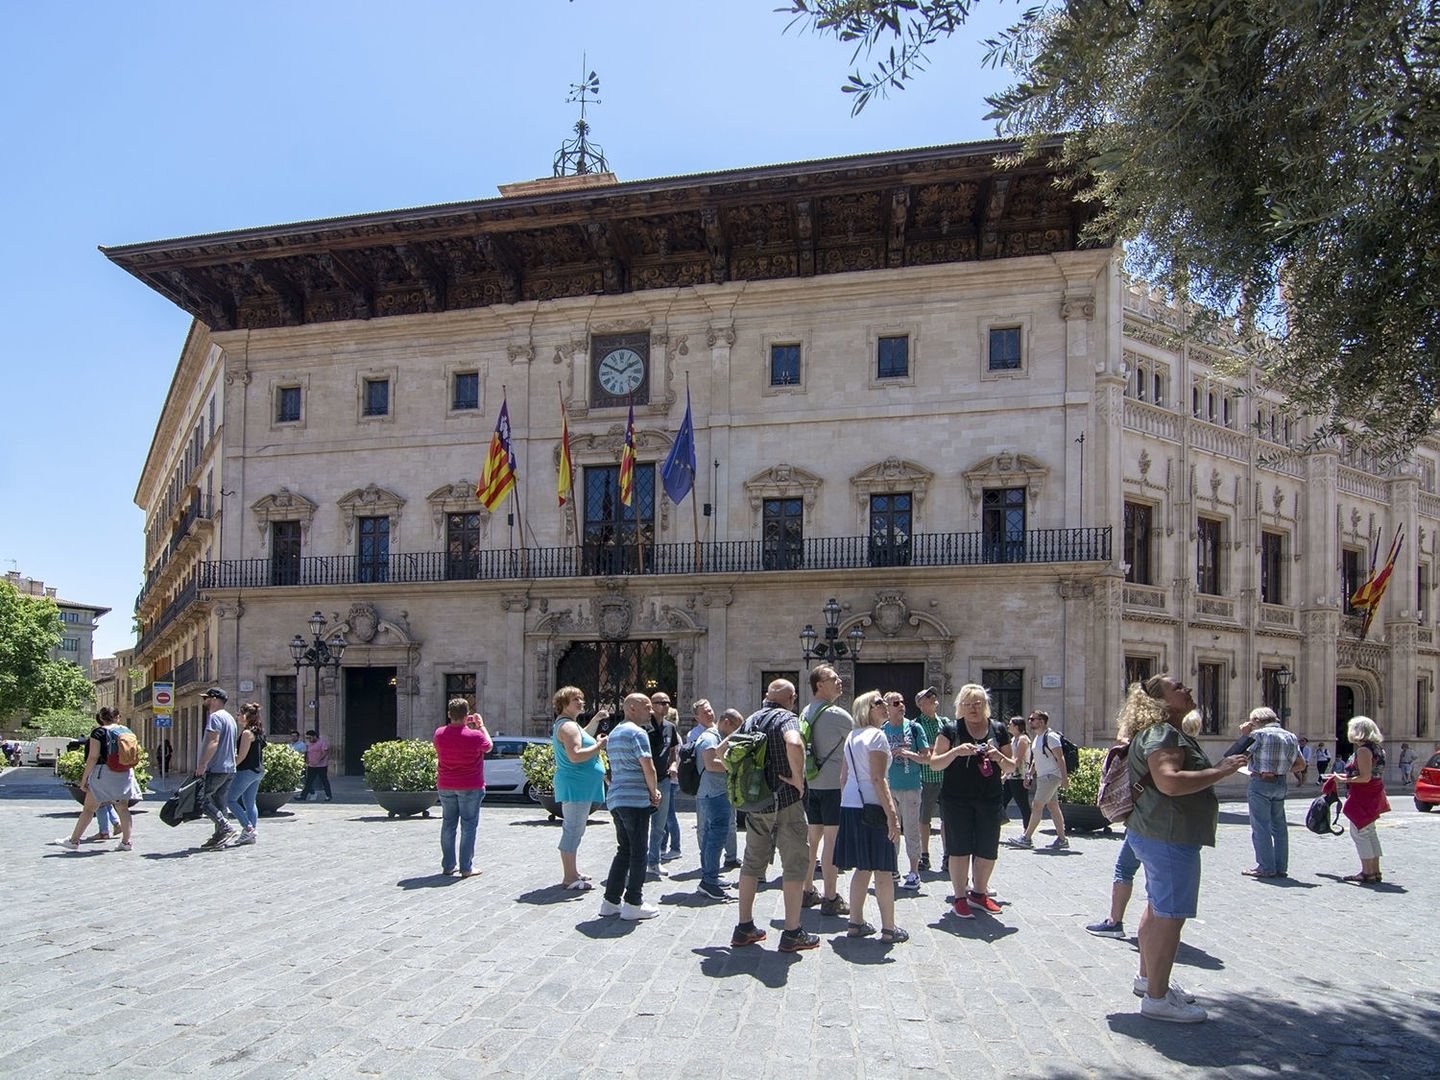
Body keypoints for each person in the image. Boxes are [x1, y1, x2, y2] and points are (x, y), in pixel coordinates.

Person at [1125, 675, 1247, 1023]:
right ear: (1160, 701)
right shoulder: (1163, 733)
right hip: (1169, 833)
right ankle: (1158, 999)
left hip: (1155, 830)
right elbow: (1169, 781)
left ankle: (1149, 980)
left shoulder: (1160, 732)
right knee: (1170, 915)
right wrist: (1220, 771)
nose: (1188, 689)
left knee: (1157, 907)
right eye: (1178, 688)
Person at [730, 679, 821, 953]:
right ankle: (792, 932)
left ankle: (744, 926)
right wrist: (797, 778)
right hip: (786, 801)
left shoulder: (751, 719)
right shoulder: (786, 717)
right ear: (791, 698)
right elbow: (794, 744)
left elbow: (724, 753)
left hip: (758, 803)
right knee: (794, 864)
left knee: (751, 864)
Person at [929, 684, 1012, 918]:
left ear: (985, 706)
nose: (973, 708)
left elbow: (1012, 765)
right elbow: (935, 762)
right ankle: (959, 897)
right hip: (956, 799)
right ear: (960, 707)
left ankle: (979, 893)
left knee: (988, 849)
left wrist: (998, 757)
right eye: (967, 704)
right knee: (959, 848)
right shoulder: (950, 729)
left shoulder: (998, 729)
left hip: (990, 798)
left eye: (977, 703)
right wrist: (956, 752)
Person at [835, 691, 908, 943]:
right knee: (884, 870)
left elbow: (843, 778)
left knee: (862, 867)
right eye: (879, 703)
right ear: (866, 709)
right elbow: (879, 779)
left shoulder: (852, 737)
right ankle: (889, 928)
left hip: (851, 806)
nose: (885, 706)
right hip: (873, 807)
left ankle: (855, 922)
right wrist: (892, 815)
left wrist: (850, 801)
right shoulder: (877, 736)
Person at [599, 693, 663, 920]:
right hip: (634, 799)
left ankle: (610, 900)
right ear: (632, 708)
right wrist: (654, 792)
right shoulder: (638, 733)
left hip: (617, 798)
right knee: (638, 853)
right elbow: (648, 765)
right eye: (647, 706)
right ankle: (633, 902)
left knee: (624, 850)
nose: (651, 710)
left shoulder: (615, 733)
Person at [801, 664, 854, 916]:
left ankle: (807, 888)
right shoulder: (839, 716)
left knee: (813, 840)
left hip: (812, 783)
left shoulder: (805, 712)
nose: (839, 681)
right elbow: (855, 749)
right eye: (833, 678)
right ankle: (831, 897)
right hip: (834, 786)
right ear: (819, 685)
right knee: (832, 840)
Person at [56, 708, 139, 852]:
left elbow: (93, 757)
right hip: (125, 772)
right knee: (123, 808)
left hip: (104, 773)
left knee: (89, 809)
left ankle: (74, 840)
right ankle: (126, 842)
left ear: (101, 718)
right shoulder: (127, 731)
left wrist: (84, 779)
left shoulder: (98, 732)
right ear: (118, 717)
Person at [1237, 706, 1304, 879]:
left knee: (1261, 826)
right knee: (1279, 826)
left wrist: (1245, 735)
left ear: (1257, 721)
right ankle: (1281, 867)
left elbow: (1236, 755)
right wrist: (1281, 769)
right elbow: (1301, 764)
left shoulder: (1258, 735)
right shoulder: (1290, 736)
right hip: (1280, 782)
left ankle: (1265, 867)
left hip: (1260, 782)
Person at [551, 686, 608, 890]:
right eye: (576, 699)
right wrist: (599, 746)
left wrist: (595, 720)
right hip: (576, 785)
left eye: (582, 698)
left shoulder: (569, 725)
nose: (581, 702)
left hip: (579, 785)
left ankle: (573, 871)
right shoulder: (567, 726)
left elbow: (582, 736)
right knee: (573, 829)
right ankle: (569, 877)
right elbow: (576, 755)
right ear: (564, 703)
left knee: (576, 828)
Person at [434, 699, 492, 878]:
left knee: (448, 825)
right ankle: (466, 867)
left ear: (449, 714)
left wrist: (463, 723)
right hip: (470, 785)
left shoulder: (439, 733)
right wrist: (481, 726)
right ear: (467, 716)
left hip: (446, 785)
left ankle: (448, 865)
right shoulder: (475, 736)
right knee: (468, 826)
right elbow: (489, 746)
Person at [1329, 715, 1389, 884]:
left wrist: (1343, 780)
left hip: (1363, 794)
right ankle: (1375, 870)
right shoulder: (1378, 748)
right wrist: (1344, 776)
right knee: (1369, 832)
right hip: (1374, 792)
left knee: (1360, 832)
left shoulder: (1363, 750)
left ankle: (1367, 872)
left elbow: (1364, 777)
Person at [881, 691, 928, 890]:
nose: (901, 706)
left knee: (910, 829)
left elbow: (926, 757)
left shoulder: (914, 728)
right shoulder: (882, 730)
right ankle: (893, 868)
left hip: (910, 786)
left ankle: (914, 871)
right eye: (895, 703)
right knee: (892, 829)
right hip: (889, 785)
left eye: (902, 702)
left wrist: (909, 753)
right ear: (887, 708)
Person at [694, 704, 742, 899]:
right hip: (713, 794)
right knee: (715, 838)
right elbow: (710, 764)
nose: (737, 733)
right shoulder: (709, 737)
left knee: (711, 837)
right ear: (727, 722)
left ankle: (710, 876)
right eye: (736, 728)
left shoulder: (718, 737)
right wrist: (737, 766)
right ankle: (709, 880)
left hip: (717, 792)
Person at [1006, 710, 1068, 850]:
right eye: (1029, 719)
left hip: (1050, 776)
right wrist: (1030, 774)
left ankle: (1026, 838)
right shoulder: (1037, 738)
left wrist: (1064, 778)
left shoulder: (1051, 737)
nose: (1030, 721)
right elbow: (1036, 760)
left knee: (1037, 805)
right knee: (1053, 807)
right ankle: (1062, 839)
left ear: (1042, 721)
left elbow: (1060, 758)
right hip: (1042, 776)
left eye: (1033, 719)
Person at [191, 688, 240, 849]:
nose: (204, 701)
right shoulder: (230, 718)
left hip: (217, 767)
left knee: (202, 800)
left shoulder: (215, 717)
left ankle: (225, 827)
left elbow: (213, 741)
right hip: (229, 768)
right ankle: (220, 837)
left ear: (213, 699)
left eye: (206, 698)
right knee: (220, 802)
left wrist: (202, 764)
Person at [644, 691, 680, 880]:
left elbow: (673, 751)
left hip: (664, 780)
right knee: (641, 823)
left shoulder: (670, 727)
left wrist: (673, 764)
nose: (665, 706)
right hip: (643, 781)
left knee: (660, 824)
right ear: (652, 705)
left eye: (667, 702)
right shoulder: (643, 727)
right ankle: (640, 860)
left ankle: (654, 860)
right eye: (661, 703)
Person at [913, 687, 948, 871]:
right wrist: (940, 749)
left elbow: (950, 745)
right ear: (920, 704)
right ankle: (924, 854)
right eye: (928, 696)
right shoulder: (915, 725)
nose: (934, 698)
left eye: (934, 695)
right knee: (924, 818)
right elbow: (920, 751)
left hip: (946, 776)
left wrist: (934, 749)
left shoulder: (945, 723)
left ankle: (948, 854)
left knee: (947, 818)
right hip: (925, 776)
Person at [227, 702, 267, 847]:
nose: (237, 716)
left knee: (230, 800)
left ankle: (248, 828)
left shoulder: (246, 733)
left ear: (246, 716)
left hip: (246, 771)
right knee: (250, 802)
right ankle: (250, 834)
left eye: (239, 713)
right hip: (257, 771)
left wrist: (230, 767)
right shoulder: (258, 732)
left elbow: (241, 756)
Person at [999, 716, 1032, 833]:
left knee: (1023, 804)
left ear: (1017, 726)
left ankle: (1027, 830)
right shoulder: (1014, 739)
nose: (1008, 726)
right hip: (1011, 776)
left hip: (1019, 776)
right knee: (1001, 801)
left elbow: (1017, 759)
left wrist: (1006, 773)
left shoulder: (1023, 739)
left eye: (1011, 724)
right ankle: (995, 824)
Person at [299, 729, 332, 802]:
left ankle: (328, 795)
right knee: (309, 781)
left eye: (309, 737)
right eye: (307, 738)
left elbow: (325, 752)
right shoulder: (308, 744)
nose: (308, 739)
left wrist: (318, 760)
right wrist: (306, 760)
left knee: (324, 781)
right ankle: (303, 796)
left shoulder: (322, 743)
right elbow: (307, 753)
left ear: (314, 736)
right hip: (311, 765)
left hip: (321, 766)